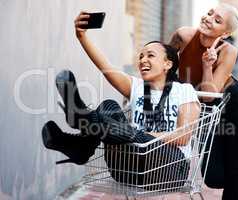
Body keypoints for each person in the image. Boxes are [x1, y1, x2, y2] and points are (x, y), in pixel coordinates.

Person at [42, 11, 201, 190]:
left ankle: (82, 134)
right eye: (141, 56)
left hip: (169, 170)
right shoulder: (137, 87)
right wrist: (81, 36)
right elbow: (106, 68)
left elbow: (182, 137)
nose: (143, 60)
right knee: (109, 106)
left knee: (130, 134)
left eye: (150, 55)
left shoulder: (184, 91)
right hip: (127, 167)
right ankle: (84, 137)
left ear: (168, 64)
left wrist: (138, 135)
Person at [168, 3, 238, 200]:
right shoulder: (183, 36)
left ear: (226, 33)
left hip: (237, 106)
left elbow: (209, 94)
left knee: (232, 170)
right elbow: (166, 66)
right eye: (210, 13)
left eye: (217, 20)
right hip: (209, 110)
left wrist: (207, 65)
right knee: (212, 177)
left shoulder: (228, 51)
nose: (209, 18)